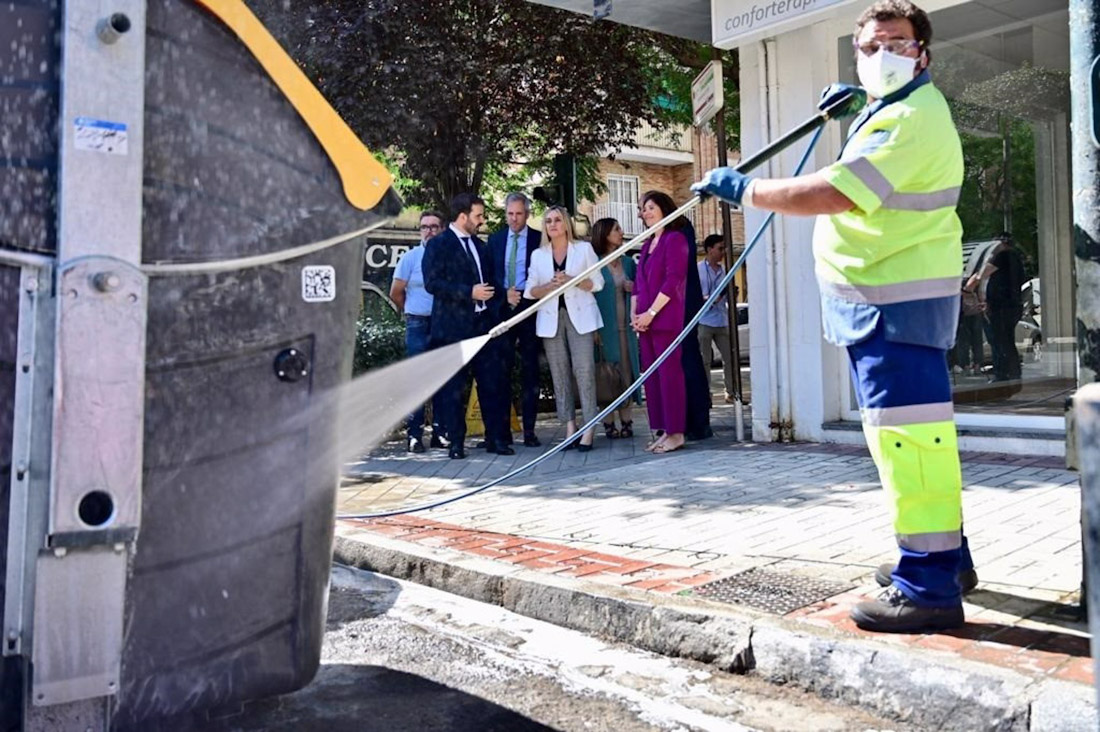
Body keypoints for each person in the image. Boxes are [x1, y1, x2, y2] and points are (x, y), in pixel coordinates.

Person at [693, 0, 977, 632]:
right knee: (915, 440)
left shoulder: (909, 117)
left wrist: (746, 190)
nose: (883, 55)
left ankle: (927, 586)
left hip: (894, 305)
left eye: (897, 44)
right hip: (888, 304)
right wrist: (862, 109)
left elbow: (835, 191)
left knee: (909, 445)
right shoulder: (895, 109)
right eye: (871, 47)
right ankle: (947, 559)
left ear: (923, 55)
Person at [422, 193, 512, 459]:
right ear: (463, 216)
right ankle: (456, 443)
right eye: (478, 216)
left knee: (491, 383)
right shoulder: (438, 245)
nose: (482, 220)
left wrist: (501, 300)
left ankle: (495, 439)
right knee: (455, 389)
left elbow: (491, 283)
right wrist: (468, 292)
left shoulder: (481, 246)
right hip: (453, 328)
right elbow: (432, 283)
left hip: (485, 326)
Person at [524, 206, 604, 452]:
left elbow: (598, 283)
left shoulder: (583, 249)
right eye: (548, 221)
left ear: (567, 223)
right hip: (551, 320)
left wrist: (572, 280)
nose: (552, 224)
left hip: (581, 317)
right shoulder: (538, 255)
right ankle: (570, 427)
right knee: (559, 374)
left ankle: (589, 428)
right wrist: (549, 286)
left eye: (557, 220)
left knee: (584, 371)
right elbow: (530, 291)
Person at [633, 191, 690, 455]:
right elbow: (638, 284)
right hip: (645, 322)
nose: (645, 212)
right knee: (653, 378)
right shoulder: (647, 245)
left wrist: (652, 313)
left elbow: (673, 279)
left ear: (664, 209)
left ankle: (676, 432)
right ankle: (663, 430)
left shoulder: (674, 239)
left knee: (669, 376)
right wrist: (636, 316)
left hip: (664, 319)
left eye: (650, 207)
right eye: (643, 208)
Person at [390, 210, 449, 452]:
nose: (429, 231)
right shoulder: (410, 258)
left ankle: (439, 433)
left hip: (442, 323)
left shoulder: (448, 257)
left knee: (441, 379)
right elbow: (396, 292)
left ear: (442, 229)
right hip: (417, 324)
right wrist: (411, 310)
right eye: (424, 227)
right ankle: (414, 435)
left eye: (434, 227)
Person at [488, 193, 543, 447]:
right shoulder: (495, 239)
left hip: (529, 306)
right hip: (503, 308)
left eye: (519, 214)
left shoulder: (538, 239)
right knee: (502, 371)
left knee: (530, 371)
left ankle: (529, 431)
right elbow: (490, 276)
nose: (514, 218)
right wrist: (503, 295)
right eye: (510, 213)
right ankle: (504, 432)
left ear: (527, 214)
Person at [590, 218, 641, 439]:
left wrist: (634, 288)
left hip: (626, 330)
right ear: (605, 234)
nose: (621, 232)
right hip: (604, 331)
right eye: (616, 229)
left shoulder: (628, 263)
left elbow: (642, 290)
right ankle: (609, 423)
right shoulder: (594, 263)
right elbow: (589, 297)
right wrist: (594, 330)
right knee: (608, 376)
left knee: (627, 374)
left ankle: (627, 420)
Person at [970, 232, 1026, 383]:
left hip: (1001, 306)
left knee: (999, 340)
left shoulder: (1002, 256)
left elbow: (982, 274)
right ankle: (1012, 372)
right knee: (1006, 340)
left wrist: (968, 287)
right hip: (1011, 304)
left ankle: (1002, 373)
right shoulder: (1015, 258)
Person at [697, 234, 737, 403]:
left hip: (721, 319)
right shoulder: (698, 269)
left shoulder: (725, 271)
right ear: (709, 249)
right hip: (704, 320)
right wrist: (708, 299)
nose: (723, 252)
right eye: (720, 248)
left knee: (729, 358)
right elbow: (692, 295)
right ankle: (705, 394)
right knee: (705, 360)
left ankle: (731, 392)